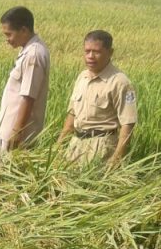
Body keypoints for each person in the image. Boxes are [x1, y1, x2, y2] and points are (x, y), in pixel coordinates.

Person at [56, 30, 137, 166]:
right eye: (87, 51)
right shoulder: (82, 77)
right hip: (75, 145)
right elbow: (72, 114)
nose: (90, 56)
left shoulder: (120, 82)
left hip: (102, 147)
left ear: (110, 52)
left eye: (96, 52)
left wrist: (116, 159)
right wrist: (59, 146)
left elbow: (128, 124)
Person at [0, 6, 50, 156]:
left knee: (10, 175)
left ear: (24, 30)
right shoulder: (28, 50)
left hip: (19, 135)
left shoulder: (33, 54)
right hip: (12, 130)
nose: (7, 40)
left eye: (9, 34)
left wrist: (17, 133)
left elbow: (28, 97)